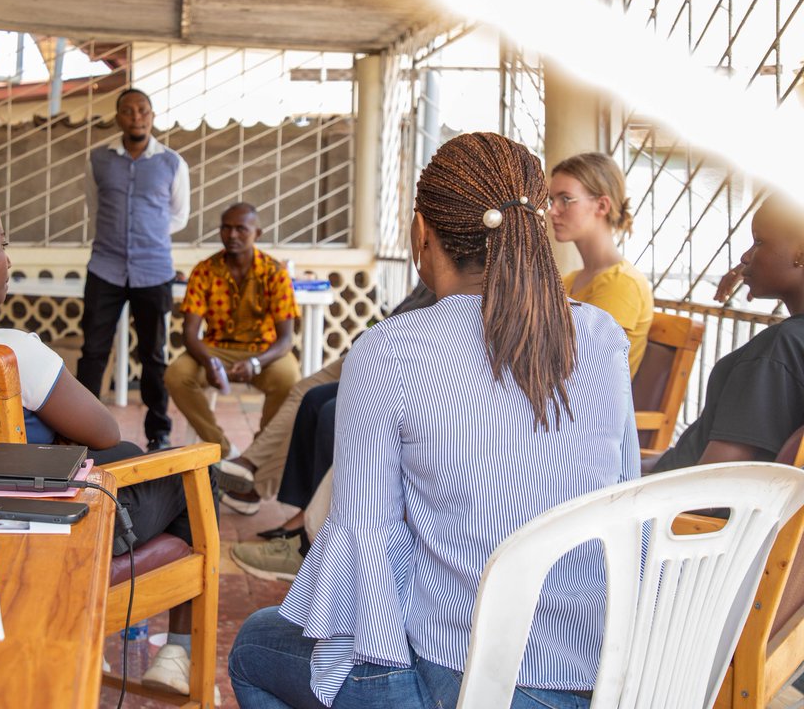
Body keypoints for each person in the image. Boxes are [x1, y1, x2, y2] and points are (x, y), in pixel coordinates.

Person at [229, 132, 638, 708]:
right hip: (589, 672)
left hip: (460, 676)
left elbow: (364, 537)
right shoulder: (601, 337)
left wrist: (391, 687)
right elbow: (622, 494)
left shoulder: (390, 350)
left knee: (253, 648)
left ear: (421, 231)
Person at [0, 183, 215, 698]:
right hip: (41, 539)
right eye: (3, 242)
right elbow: (103, 429)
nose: (8, 257)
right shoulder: (10, 351)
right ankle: (177, 653)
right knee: (193, 473)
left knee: (129, 458)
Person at [214, 283, 436, 516]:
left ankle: (253, 481)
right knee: (303, 391)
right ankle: (250, 477)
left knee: (318, 405)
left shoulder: (456, 274)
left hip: (394, 362)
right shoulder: (426, 272)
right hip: (375, 348)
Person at [651, 193, 804, 472]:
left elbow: (711, 485)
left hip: (675, 509)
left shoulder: (780, 346)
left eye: (758, 242)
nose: (745, 256)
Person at [77, 88, 189, 451]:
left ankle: (159, 431)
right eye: (128, 111)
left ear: (152, 116)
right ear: (118, 117)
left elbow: (178, 215)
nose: (136, 117)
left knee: (154, 355)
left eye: (142, 110)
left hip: (154, 271)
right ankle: (80, 426)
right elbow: (96, 206)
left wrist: (147, 232)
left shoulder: (172, 163)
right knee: (93, 350)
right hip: (105, 267)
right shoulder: (98, 160)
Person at [166, 202, 301, 459]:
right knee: (176, 375)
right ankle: (223, 450)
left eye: (241, 229)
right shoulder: (205, 270)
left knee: (289, 377)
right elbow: (190, 334)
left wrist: (256, 363)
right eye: (226, 228)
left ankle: (257, 456)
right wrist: (209, 362)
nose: (233, 235)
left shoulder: (275, 273)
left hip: (263, 352)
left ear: (257, 234)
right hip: (215, 349)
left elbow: (285, 340)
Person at [548, 151, 653, 376]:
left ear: (602, 206)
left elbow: (585, 368)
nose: (552, 210)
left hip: (589, 408)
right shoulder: (569, 280)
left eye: (565, 199)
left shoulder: (623, 284)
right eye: (551, 200)